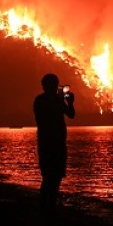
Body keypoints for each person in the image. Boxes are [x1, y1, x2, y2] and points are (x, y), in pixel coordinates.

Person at [33, 73, 76, 211]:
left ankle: (47, 205)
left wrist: (68, 102)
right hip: (52, 142)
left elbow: (70, 114)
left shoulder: (42, 100)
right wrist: (67, 102)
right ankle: (47, 205)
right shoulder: (48, 100)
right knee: (52, 176)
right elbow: (71, 114)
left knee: (52, 176)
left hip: (50, 142)